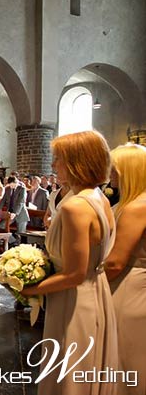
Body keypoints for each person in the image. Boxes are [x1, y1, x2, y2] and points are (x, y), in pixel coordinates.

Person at [20, 130, 118, 395]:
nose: (53, 166)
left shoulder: (75, 207)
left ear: (78, 162)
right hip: (96, 293)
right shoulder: (100, 198)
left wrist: (28, 289)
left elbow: (74, 274)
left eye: (59, 159)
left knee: (70, 375)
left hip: (74, 301)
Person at [104, 143, 146, 395]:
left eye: (115, 169)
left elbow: (116, 262)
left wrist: (85, 282)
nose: (111, 174)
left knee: (127, 356)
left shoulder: (136, 208)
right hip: (134, 280)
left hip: (129, 285)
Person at [0, 176, 29, 241]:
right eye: (10, 185)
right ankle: (13, 241)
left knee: (21, 233)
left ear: (16, 182)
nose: (11, 186)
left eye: (13, 185)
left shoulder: (22, 189)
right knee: (1, 226)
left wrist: (15, 213)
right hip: (10, 213)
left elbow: (21, 202)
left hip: (20, 214)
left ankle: (21, 247)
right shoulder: (8, 189)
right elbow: (3, 200)